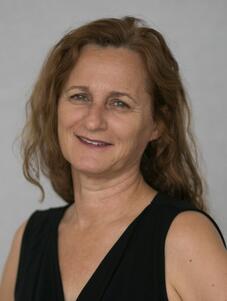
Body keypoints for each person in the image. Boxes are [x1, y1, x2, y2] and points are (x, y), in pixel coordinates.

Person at [0, 16, 226, 301]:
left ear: (158, 123)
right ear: (56, 105)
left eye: (119, 103)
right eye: (80, 96)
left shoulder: (185, 238)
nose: (93, 121)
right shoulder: (29, 240)